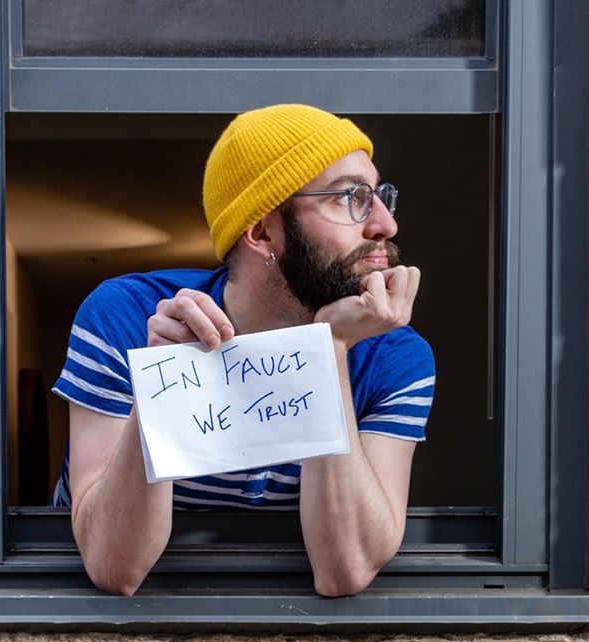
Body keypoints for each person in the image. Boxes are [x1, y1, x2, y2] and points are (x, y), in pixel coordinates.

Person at [50, 103, 435, 597]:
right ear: (262, 232)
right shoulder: (126, 317)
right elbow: (112, 565)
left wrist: (329, 347)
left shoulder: (395, 357)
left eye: (380, 196)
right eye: (350, 198)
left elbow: (345, 569)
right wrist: (164, 377)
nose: (384, 224)